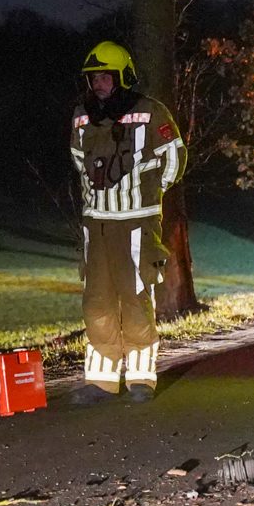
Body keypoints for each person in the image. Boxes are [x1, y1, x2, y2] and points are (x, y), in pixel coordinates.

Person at [68, 41, 183, 406]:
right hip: (95, 223)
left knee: (136, 297)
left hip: (136, 222)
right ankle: (101, 379)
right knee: (96, 301)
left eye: (105, 76)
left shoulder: (150, 112)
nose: (98, 83)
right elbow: (76, 159)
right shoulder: (81, 115)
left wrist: (151, 195)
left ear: (122, 77)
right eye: (93, 77)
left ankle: (140, 377)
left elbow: (174, 158)